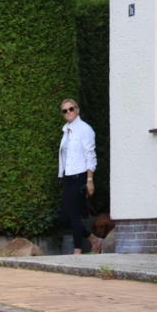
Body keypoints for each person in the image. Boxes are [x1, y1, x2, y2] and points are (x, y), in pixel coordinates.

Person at [57, 98, 99, 254]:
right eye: (65, 110)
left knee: (74, 215)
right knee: (66, 216)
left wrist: (90, 180)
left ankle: (77, 250)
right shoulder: (66, 131)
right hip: (68, 177)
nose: (68, 112)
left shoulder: (84, 129)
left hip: (80, 176)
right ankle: (92, 238)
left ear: (77, 110)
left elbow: (90, 155)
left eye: (71, 109)